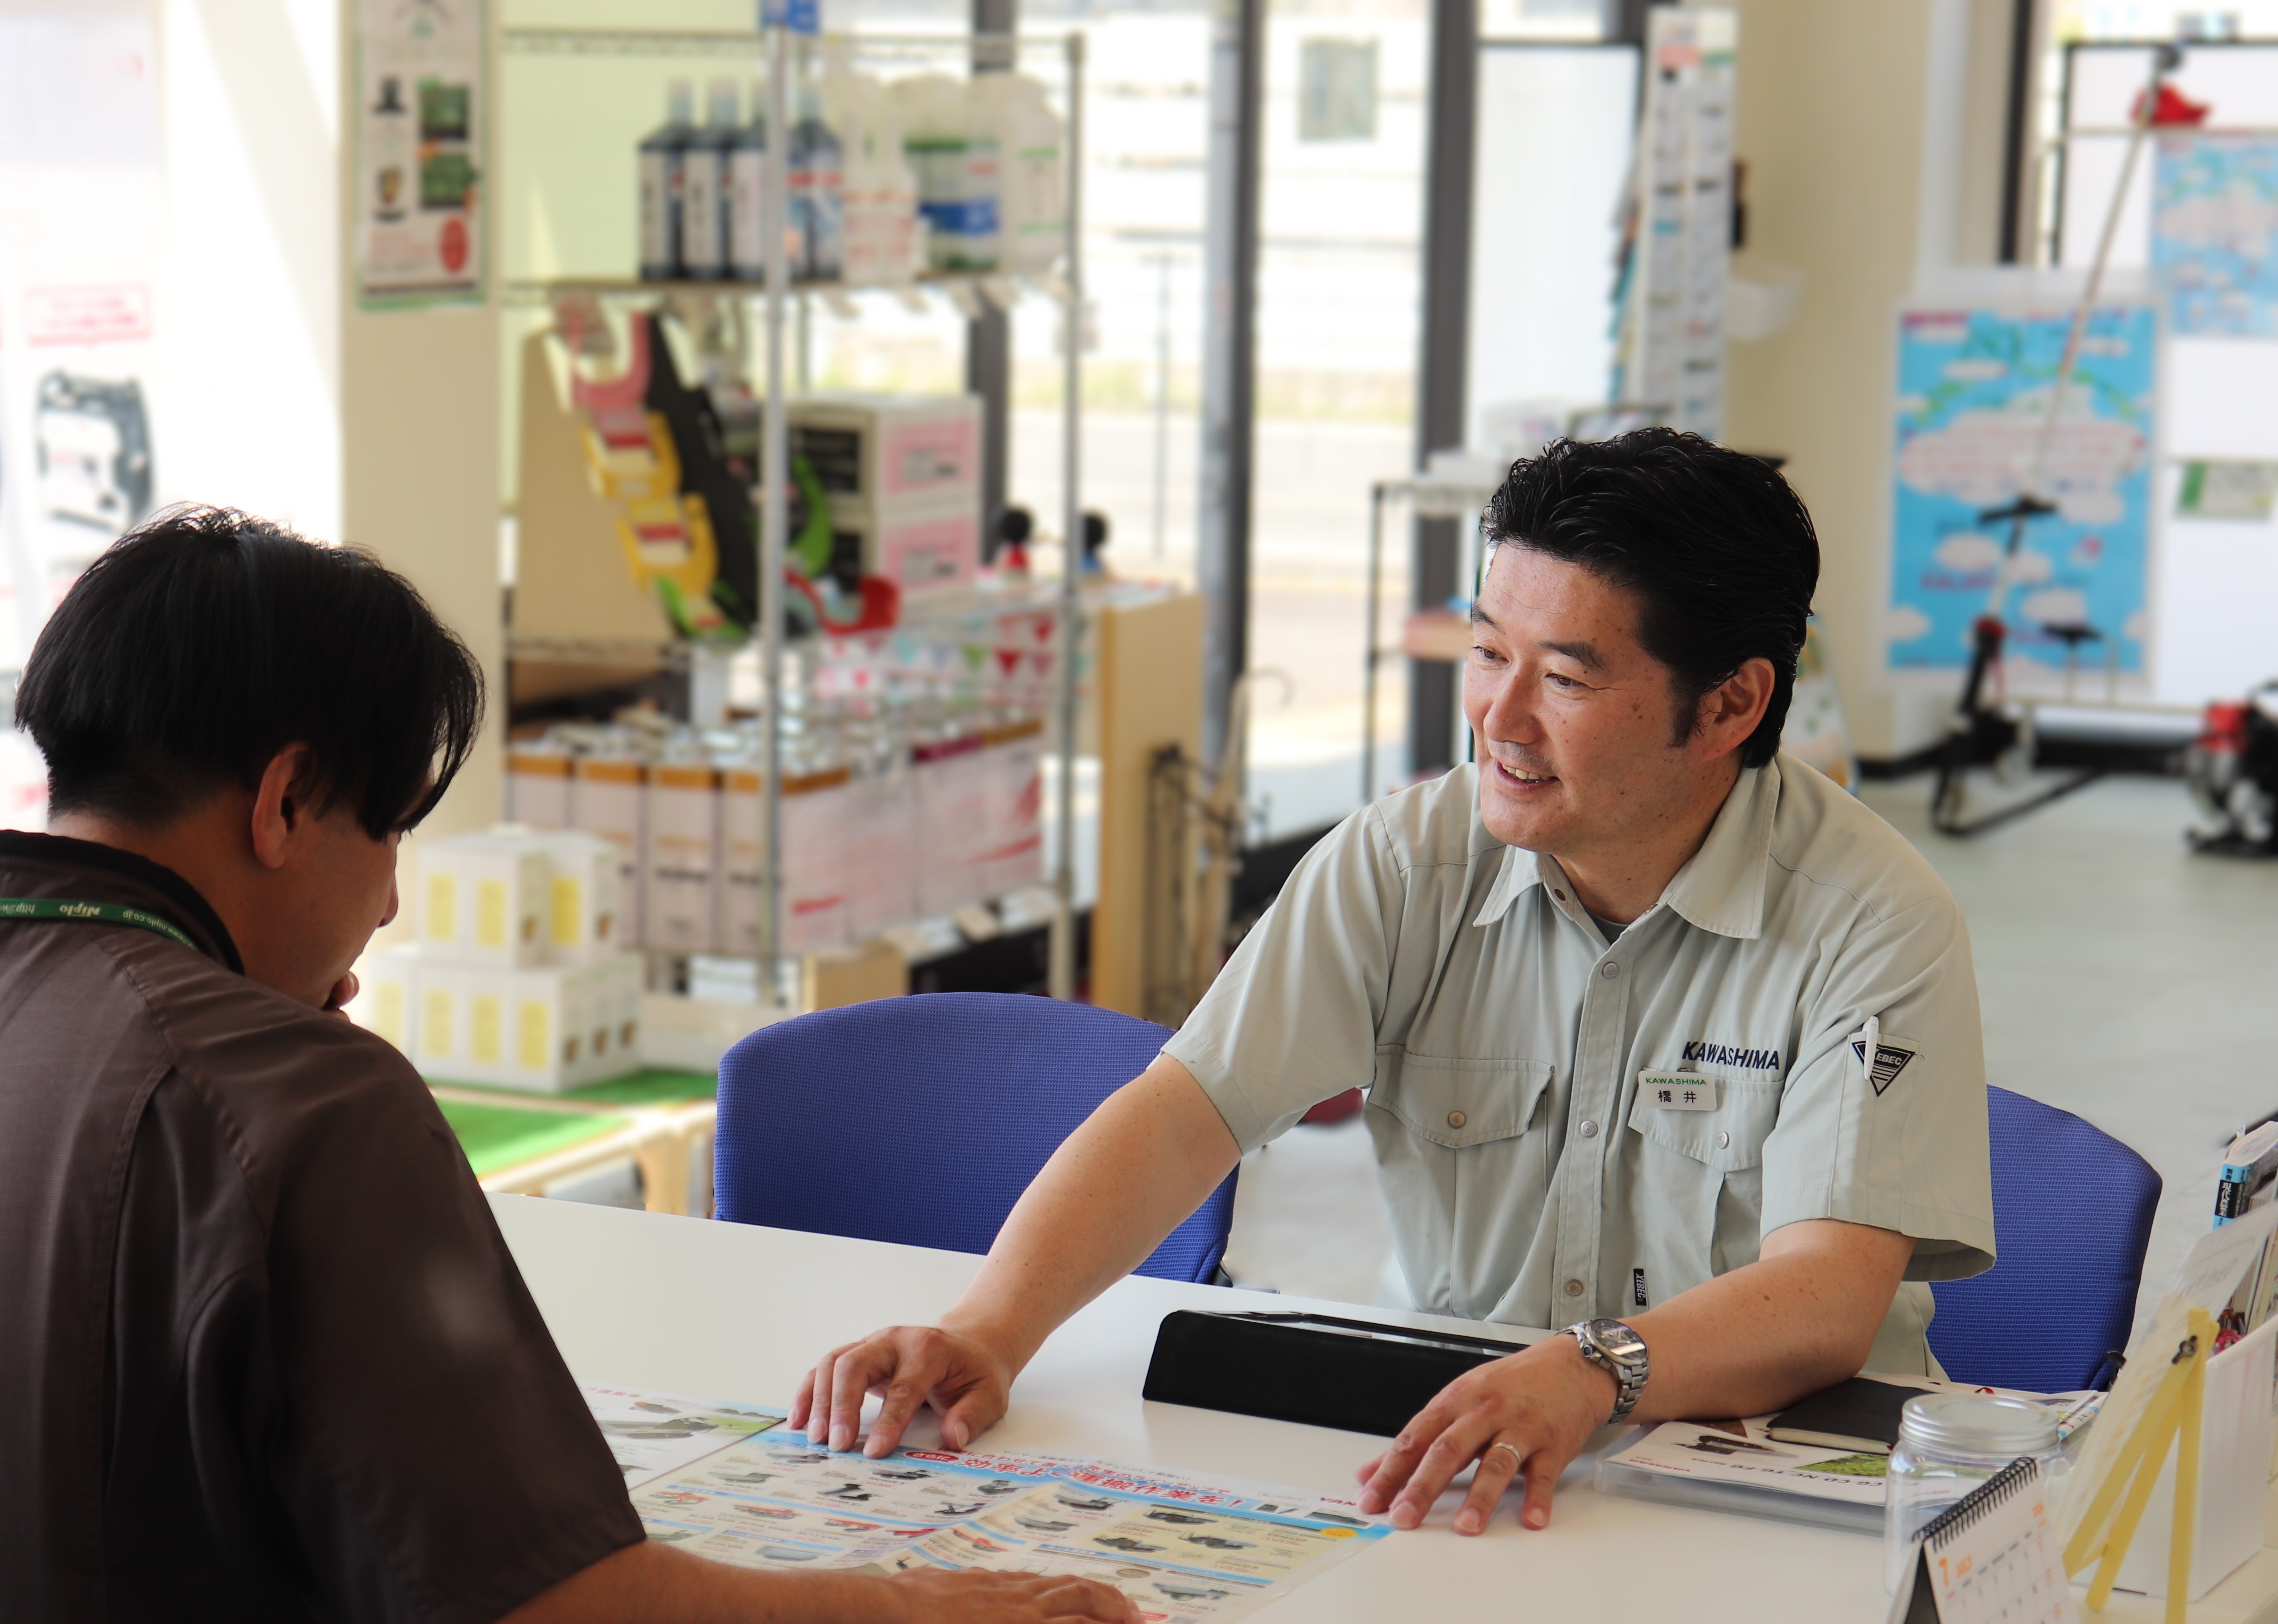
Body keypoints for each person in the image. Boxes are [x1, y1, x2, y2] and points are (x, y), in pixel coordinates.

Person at [0, 508, 1139, 1624]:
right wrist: (907, 1617)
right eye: (387, 833)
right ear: (287, 798)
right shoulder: (288, 1094)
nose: (385, 899)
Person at [793, 430, 1995, 1544]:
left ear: (1731, 703)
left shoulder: (1871, 921)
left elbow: (1827, 1298)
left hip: (1757, 1487)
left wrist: (1589, 1370)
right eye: (1485, 654)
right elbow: (1182, 1114)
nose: (1498, 720)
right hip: (1460, 1457)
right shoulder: (1404, 861)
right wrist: (988, 1331)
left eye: (1565, 681)